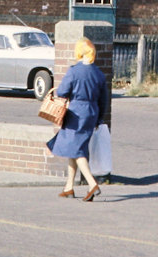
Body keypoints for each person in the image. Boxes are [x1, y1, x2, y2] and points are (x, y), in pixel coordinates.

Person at [46, 37, 110, 201]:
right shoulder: (98, 74)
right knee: (75, 147)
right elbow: (104, 100)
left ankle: (92, 183)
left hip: (76, 113)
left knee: (77, 149)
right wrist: (99, 119)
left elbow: (62, 92)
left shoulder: (74, 71)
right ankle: (69, 186)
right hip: (92, 112)